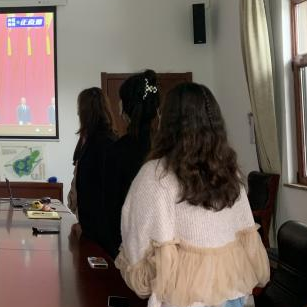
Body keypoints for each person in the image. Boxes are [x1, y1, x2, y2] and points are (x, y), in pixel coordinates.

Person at [116, 83, 269, 307]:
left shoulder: (155, 175)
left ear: (167, 122)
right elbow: (246, 233)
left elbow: (136, 243)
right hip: (233, 293)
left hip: (184, 299)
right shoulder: (228, 171)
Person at [99, 69, 160, 257]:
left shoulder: (118, 151)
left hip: (129, 250)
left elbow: (110, 211)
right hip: (166, 250)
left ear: (126, 108)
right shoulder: (168, 148)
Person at [69, 88, 117, 241]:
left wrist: (85, 227)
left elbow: (95, 192)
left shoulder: (100, 144)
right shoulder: (95, 140)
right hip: (92, 227)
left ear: (86, 112)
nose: (78, 113)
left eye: (79, 109)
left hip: (97, 232)